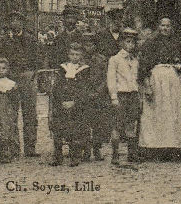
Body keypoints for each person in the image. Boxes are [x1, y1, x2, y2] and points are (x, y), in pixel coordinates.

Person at [138, 17, 181, 161]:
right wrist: (147, 85)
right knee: (155, 113)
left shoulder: (177, 43)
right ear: (158, 27)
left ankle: (173, 149)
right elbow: (143, 66)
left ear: (172, 27)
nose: (165, 28)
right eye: (162, 25)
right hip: (156, 80)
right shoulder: (150, 43)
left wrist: (180, 67)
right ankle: (153, 149)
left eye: (168, 25)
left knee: (173, 114)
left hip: (174, 82)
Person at [1, 11, 39, 158]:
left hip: (27, 78)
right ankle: (14, 148)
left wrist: (33, 74)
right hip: (11, 79)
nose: (15, 23)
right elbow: (1, 60)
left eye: (18, 21)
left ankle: (30, 147)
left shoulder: (30, 39)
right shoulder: (5, 41)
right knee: (12, 114)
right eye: (12, 21)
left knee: (30, 114)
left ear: (22, 23)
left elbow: (38, 58)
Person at [50, 42, 90, 166]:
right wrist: (61, 101)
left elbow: (84, 89)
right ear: (68, 55)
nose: (74, 57)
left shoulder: (84, 70)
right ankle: (58, 156)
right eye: (72, 54)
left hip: (76, 104)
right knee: (58, 128)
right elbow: (57, 87)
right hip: (62, 103)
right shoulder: (63, 68)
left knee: (75, 129)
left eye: (77, 54)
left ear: (81, 55)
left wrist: (74, 102)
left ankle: (75, 156)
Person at [107, 29, 141, 165]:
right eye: (127, 41)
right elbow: (111, 79)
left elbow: (136, 79)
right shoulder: (115, 59)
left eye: (133, 42)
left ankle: (131, 153)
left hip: (133, 95)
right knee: (117, 125)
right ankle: (115, 154)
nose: (130, 45)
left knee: (131, 124)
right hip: (121, 95)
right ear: (121, 42)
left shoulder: (135, 60)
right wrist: (113, 96)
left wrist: (138, 95)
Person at [82, 32, 110, 161]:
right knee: (84, 123)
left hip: (99, 96)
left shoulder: (102, 60)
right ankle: (86, 150)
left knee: (98, 124)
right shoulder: (80, 60)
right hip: (84, 95)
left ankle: (97, 149)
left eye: (91, 44)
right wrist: (85, 92)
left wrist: (98, 92)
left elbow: (106, 77)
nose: (89, 47)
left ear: (95, 45)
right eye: (86, 44)